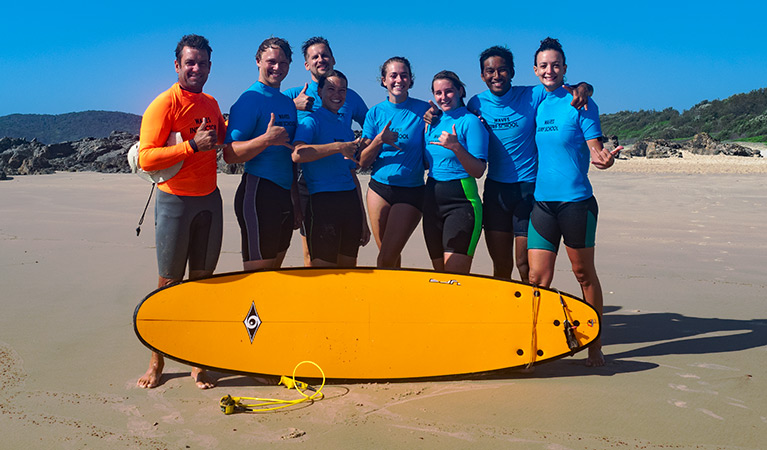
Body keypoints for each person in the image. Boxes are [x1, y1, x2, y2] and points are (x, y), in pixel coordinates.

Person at [136, 34, 226, 389]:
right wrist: (190, 145)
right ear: (177, 66)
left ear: (209, 67)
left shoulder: (211, 103)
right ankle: (156, 359)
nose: (196, 69)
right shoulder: (164, 104)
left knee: (201, 286)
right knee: (168, 284)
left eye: (202, 63)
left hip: (209, 200)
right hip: (174, 201)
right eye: (190, 62)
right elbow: (145, 157)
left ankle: (195, 360)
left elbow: (221, 138)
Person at [527, 37, 619, 367]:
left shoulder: (580, 102)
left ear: (564, 68)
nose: (549, 70)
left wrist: (603, 158)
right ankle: (532, 343)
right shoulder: (536, 101)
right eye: (544, 65)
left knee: (583, 275)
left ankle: (594, 345)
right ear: (535, 71)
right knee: (537, 279)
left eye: (556, 64)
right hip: (542, 204)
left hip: (576, 203)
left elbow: (595, 147)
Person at [467, 46, 593, 282]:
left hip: (528, 190)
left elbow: (562, 89)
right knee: (501, 266)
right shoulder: (476, 104)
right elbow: (452, 113)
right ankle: (508, 317)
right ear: (482, 75)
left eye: (502, 70)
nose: (496, 75)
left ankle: (531, 315)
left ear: (512, 72)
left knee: (525, 265)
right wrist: (431, 113)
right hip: (496, 192)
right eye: (490, 71)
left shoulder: (533, 95)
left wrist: (585, 87)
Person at [283, 37, 368, 266]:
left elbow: (372, 124)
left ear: (333, 58)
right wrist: (293, 106)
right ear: (306, 64)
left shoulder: (349, 98)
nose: (321, 60)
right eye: (315, 56)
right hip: (306, 180)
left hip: (344, 182)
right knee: (313, 257)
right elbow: (265, 117)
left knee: (346, 259)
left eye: (325, 55)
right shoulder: (294, 95)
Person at [223, 37, 297, 271]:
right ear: (258, 61)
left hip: (284, 194)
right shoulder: (249, 99)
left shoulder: (287, 102)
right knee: (258, 276)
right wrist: (266, 139)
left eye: (283, 63)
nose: (277, 68)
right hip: (258, 194)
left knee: (275, 274)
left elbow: (289, 155)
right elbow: (229, 154)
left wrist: (295, 202)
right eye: (271, 61)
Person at [358, 57, 430, 268]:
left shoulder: (424, 110)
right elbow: (363, 162)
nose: (399, 80)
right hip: (378, 189)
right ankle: (393, 295)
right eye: (393, 75)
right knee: (388, 256)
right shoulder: (375, 113)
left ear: (411, 79)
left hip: (411, 190)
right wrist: (379, 140)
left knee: (386, 257)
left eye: (404, 75)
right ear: (384, 80)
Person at [423, 70, 488, 274]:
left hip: (461, 202)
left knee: (455, 277)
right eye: (438, 93)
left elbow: (479, 170)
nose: (443, 97)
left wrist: (456, 147)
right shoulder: (432, 122)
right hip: (432, 202)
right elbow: (427, 162)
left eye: (449, 91)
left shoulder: (471, 122)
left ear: (460, 91)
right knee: (439, 275)